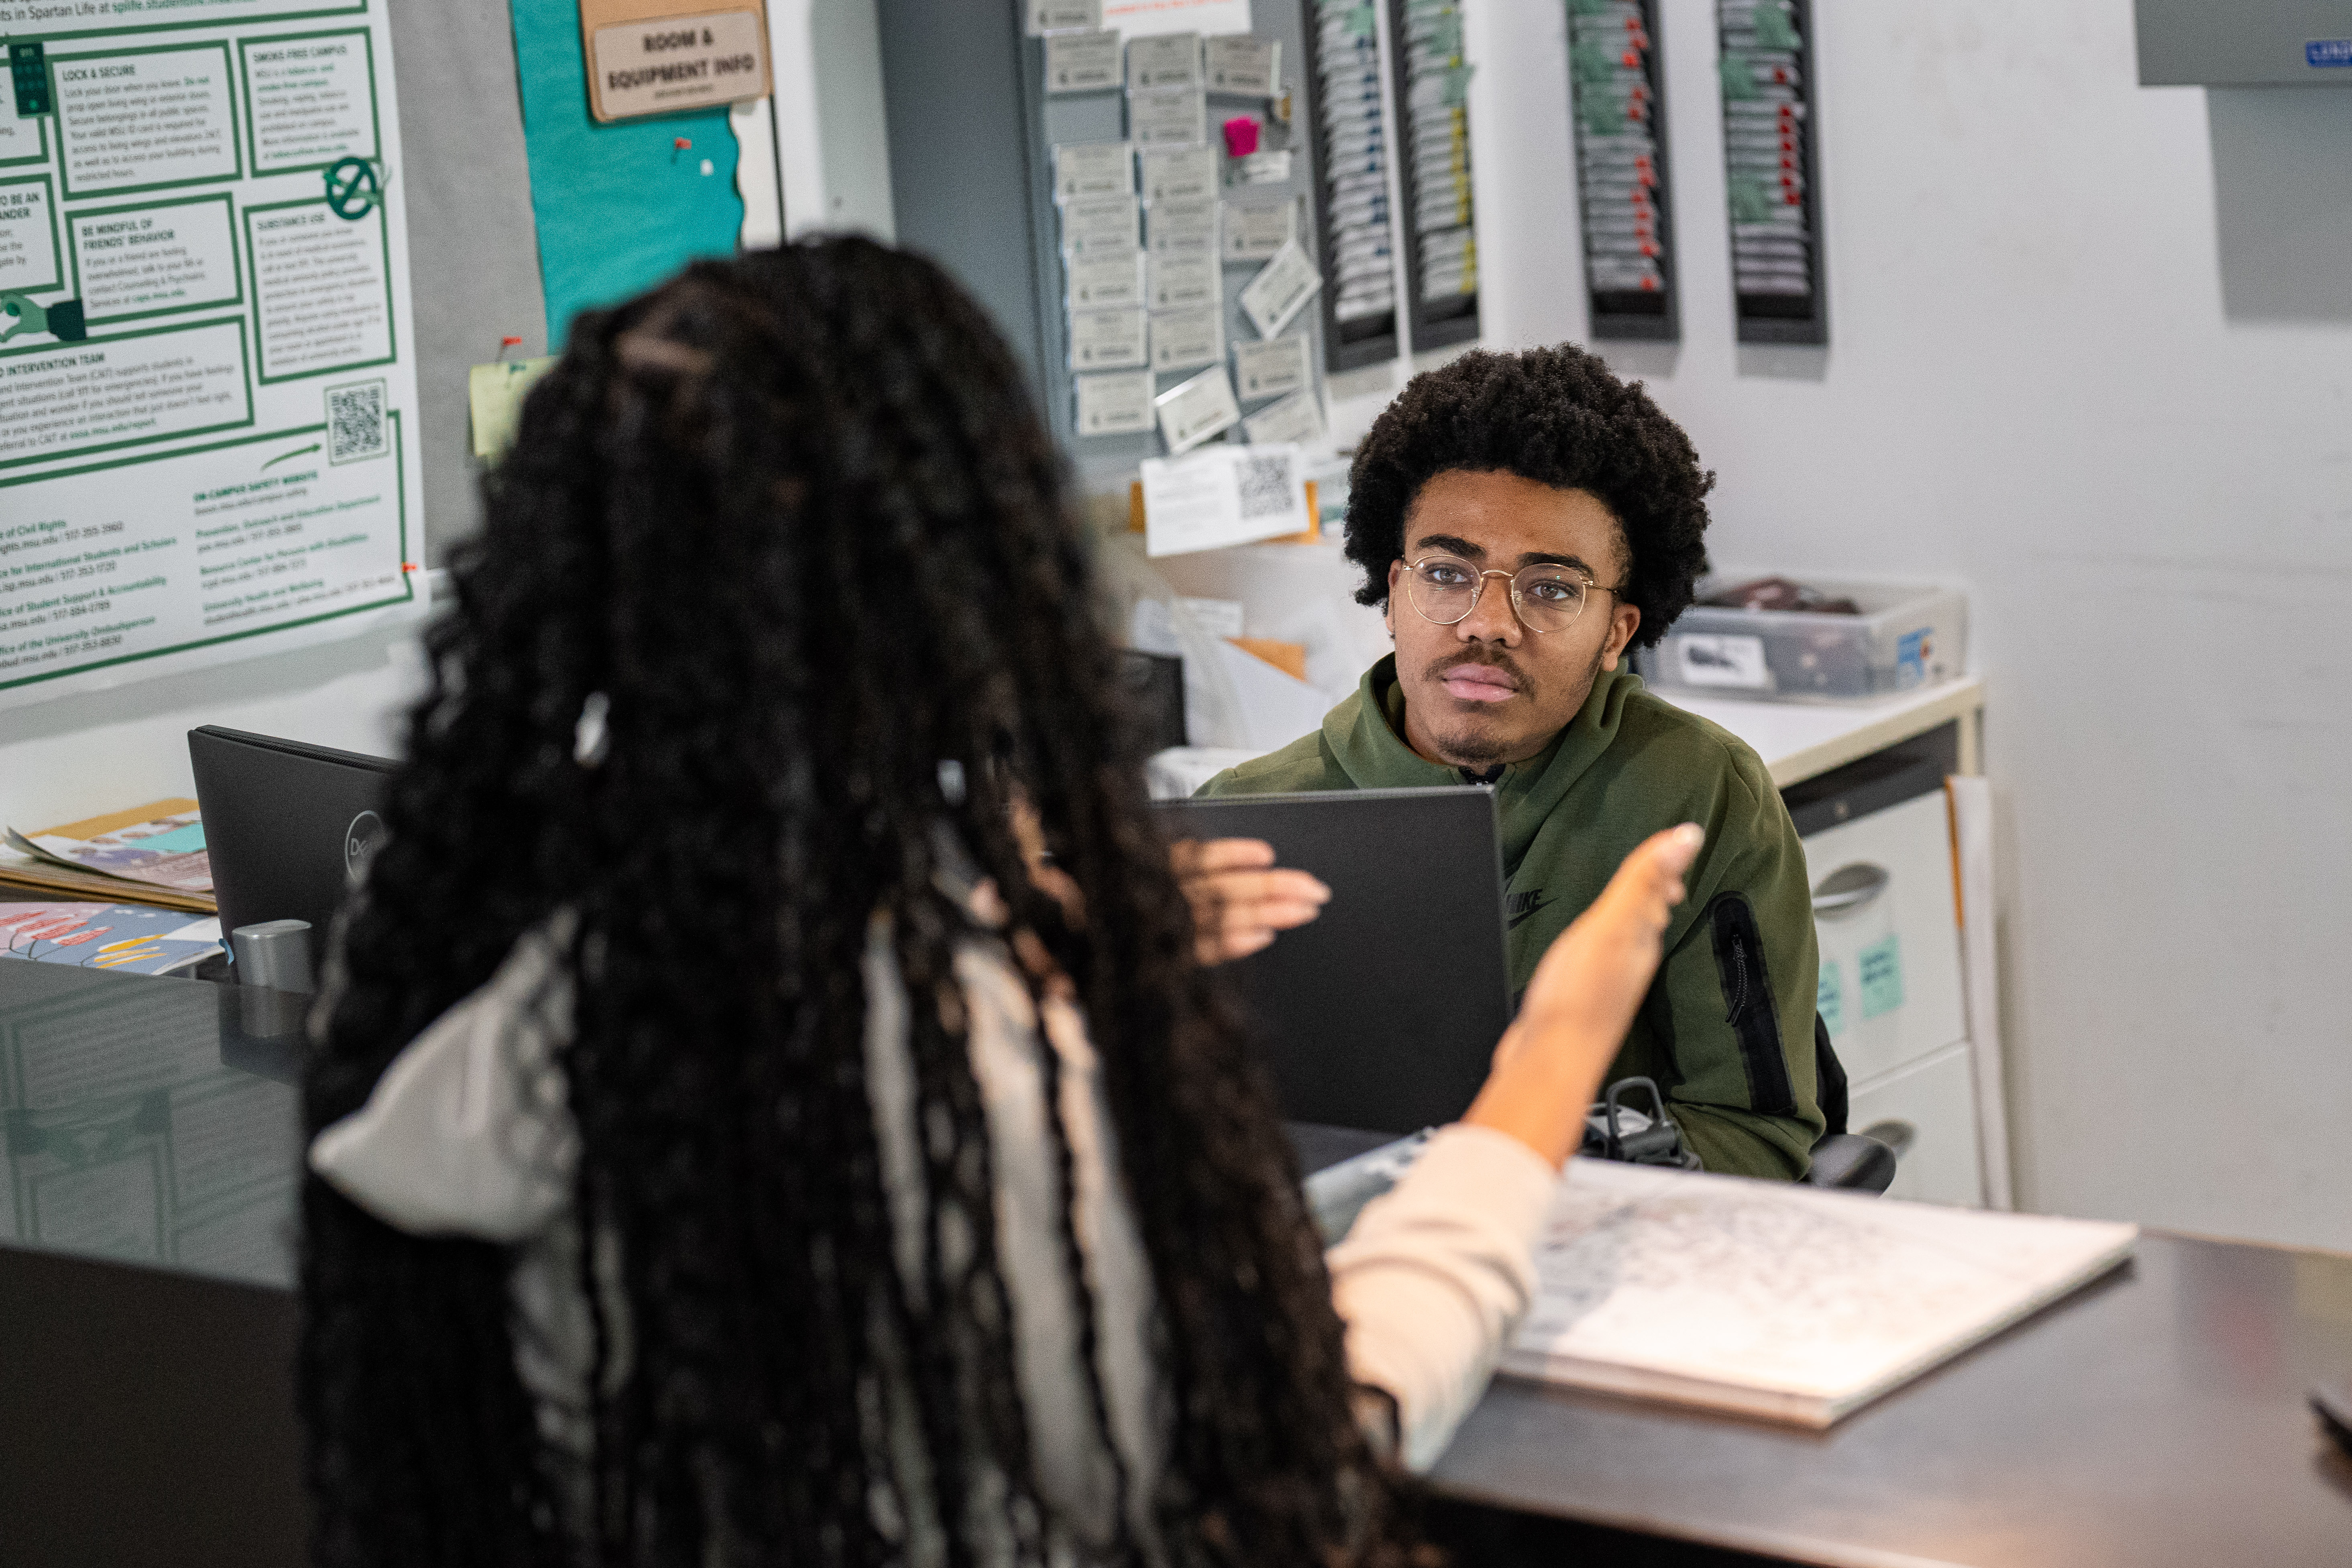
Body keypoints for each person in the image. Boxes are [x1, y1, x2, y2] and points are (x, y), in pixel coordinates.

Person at [299, 240, 1705, 1568]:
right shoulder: (940, 1060)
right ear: (965, 590)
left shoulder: (513, 984)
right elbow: (1282, 1478)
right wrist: (1529, 1099)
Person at [1197, 348, 1824, 1180]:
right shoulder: (1246, 819)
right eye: (1447, 574)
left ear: (1617, 633)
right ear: (1392, 594)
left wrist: (1543, 1162)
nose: (1487, 622)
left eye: (1552, 589)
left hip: (1607, 1254)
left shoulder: (1698, 792)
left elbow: (1757, 1134)